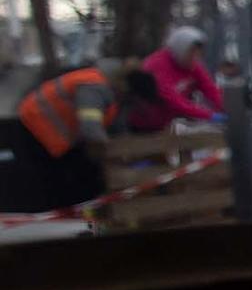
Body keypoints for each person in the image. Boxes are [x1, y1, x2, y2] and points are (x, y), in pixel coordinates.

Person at [9, 62, 155, 209]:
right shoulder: (94, 88)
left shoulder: (115, 100)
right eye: (138, 103)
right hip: (34, 129)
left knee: (77, 179)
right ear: (130, 93)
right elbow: (91, 130)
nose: (138, 109)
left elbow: (117, 132)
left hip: (53, 137)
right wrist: (109, 155)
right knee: (53, 184)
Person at [134, 26, 225, 130]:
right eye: (191, 52)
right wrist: (210, 116)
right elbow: (173, 101)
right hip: (140, 124)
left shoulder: (191, 65)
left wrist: (226, 108)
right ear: (181, 49)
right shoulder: (158, 65)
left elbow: (210, 89)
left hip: (163, 124)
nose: (196, 57)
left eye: (198, 53)